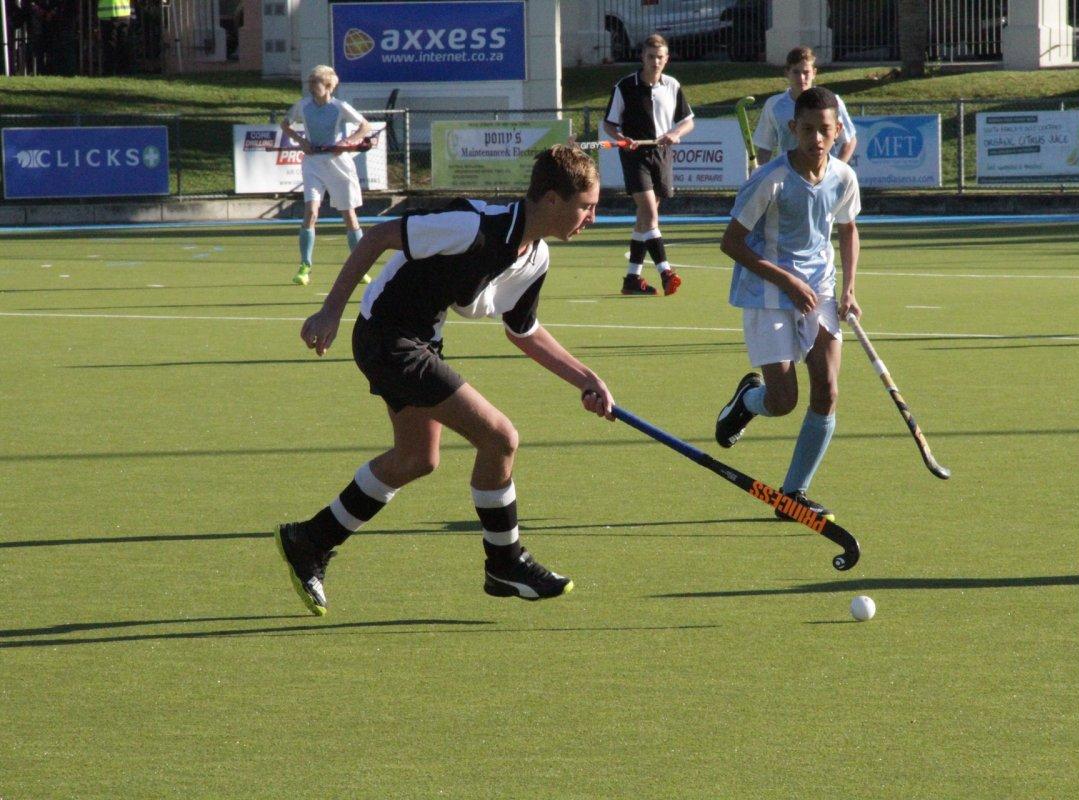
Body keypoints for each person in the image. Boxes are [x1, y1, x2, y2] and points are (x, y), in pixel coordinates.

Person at [275, 145, 614, 615]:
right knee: (500, 437)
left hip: (421, 338)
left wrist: (585, 378)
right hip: (386, 336)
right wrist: (330, 310)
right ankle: (505, 561)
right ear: (553, 200)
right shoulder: (472, 225)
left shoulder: (534, 257)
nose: (593, 217)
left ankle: (309, 540)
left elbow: (523, 330)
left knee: (417, 458)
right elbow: (376, 238)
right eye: (586, 206)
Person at [714, 87, 861, 521]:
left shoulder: (843, 178)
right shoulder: (770, 180)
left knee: (828, 389)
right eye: (809, 129)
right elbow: (731, 243)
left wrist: (849, 289)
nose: (817, 138)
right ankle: (747, 401)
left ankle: (794, 493)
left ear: (838, 132)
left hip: (822, 287)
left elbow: (848, 231)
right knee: (783, 401)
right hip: (768, 291)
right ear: (793, 129)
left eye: (826, 130)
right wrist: (787, 281)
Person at [602, 33, 694, 296]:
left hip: (661, 154)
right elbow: (609, 123)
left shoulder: (672, 86)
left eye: (660, 57)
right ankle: (666, 272)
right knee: (650, 214)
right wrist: (622, 139)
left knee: (644, 220)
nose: (655, 62)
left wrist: (676, 134)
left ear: (667, 59)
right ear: (642, 57)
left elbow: (688, 121)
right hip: (634, 155)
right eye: (651, 57)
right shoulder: (625, 86)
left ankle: (632, 279)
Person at [280, 65, 373, 287]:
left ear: (329, 86)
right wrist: (301, 141)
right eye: (310, 84)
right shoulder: (302, 106)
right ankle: (305, 266)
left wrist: (345, 142)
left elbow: (365, 126)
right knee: (311, 211)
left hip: (338, 164)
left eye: (316, 84)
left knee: (349, 216)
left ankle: (359, 268)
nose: (312, 88)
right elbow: (285, 125)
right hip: (313, 164)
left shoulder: (340, 107)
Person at [752, 46, 857, 168]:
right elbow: (765, 147)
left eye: (806, 72)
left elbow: (849, 141)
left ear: (814, 73)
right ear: (787, 73)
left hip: (822, 179)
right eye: (796, 72)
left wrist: (836, 172)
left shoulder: (832, 102)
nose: (801, 78)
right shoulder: (773, 105)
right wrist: (758, 176)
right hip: (787, 178)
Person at [96, 0, 131, 75]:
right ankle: (122, 71)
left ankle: (110, 71)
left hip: (108, 14)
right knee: (121, 44)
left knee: (110, 45)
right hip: (123, 13)